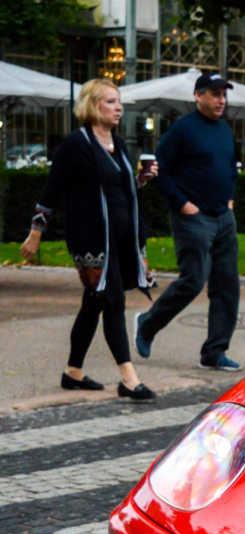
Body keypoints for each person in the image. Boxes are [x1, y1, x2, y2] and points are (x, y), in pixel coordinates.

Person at [21, 79, 157, 401]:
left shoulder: (118, 144)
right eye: (110, 101)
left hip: (121, 240)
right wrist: (36, 233)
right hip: (91, 241)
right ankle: (128, 378)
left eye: (119, 101)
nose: (119, 107)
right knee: (112, 300)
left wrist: (140, 180)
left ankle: (73, 372)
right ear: (93, 106)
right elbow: (51, 191)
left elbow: (120, 192)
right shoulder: (75, 145)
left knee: (93, 303)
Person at [134, 71, 242, 372]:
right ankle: (147, 324)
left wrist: (230, 197)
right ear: (198, 95)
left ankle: (214, 352)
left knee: (227, 286)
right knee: (193, 280)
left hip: (224, 217)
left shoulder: (224, 131)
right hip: (193, 219)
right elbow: (159, 170)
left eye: (224, 95)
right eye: (215, 94)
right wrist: (182, 205)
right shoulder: (183, 129)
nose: (221, 100)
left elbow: (232, 168)